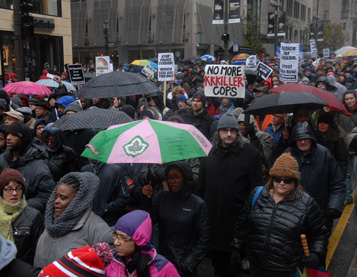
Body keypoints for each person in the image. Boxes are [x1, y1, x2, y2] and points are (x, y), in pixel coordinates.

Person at [231, 153, 328, 277]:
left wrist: (316, 254)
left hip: (287, 271)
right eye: (277, 178)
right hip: (256, 267)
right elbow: (242, 224)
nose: (281, 183)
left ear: (295, 181)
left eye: (287, 180)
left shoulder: (307, 203)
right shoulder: (257, 194)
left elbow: (319, 235)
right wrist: (237, 248)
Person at [197, 112, 263, 276]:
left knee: (233, 270)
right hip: (213, 227)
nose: (228, 134)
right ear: (218, 132)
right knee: (218, 267)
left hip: (237, 227)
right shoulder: (208, 156)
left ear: (237, 132)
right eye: (224, 130)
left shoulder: (251, 154)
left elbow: (256, 192)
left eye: (232, 130)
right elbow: (201, 189)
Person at [141, 161, 210, 276]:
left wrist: (187, 264)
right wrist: (146, 198)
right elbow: (149, 220)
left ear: (186, 178)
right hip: (163, 262)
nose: (172, 181)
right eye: (169, 178)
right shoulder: (162, 196)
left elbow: (203, 239)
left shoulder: (197, 204)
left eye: (176, 177)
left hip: (185, 264)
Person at [34, 172, 114, 268]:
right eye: (56, 196)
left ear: (79, 201)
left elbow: (109, 267)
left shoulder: (98, 228)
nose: (56, 201)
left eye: (63, 198)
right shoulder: (50, 222)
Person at [284, 122, 345, 234]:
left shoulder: (324, 154)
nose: (303, 142)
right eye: (299, 139)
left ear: (311, 139)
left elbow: (337, 182)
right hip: (292, 213)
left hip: (320, 213)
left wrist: (334, 206)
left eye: (306, 138)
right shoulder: (287, 155)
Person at [105, 210, 180, 276]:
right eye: (116, 236)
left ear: (139, 240)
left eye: (123, 238)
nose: (116, 243)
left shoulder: (163, 268)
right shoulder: (113, 262)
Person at [0, 122, 55, 212]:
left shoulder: (39, 168)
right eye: (8, 134)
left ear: (23, 139)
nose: (8, 138)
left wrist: (20, 206)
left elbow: (45, 197)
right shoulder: (2, 159)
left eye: (14, 135)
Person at [0, 168, 44, 265]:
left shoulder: (34, 216)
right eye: (9, 189)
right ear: (2, 191)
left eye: (18, 188)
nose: (14, 193)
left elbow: (38, 252)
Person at [81, 159, 130, 227]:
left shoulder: (116, 170)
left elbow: (124, 197)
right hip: (87, 221)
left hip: (108, 222)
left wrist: (105, 208)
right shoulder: (85, 169)